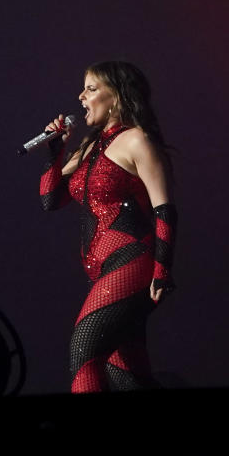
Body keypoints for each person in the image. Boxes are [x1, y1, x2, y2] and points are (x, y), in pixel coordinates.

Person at [38, 61, 177, 393]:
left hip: (132, 261)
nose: (80, 96)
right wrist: (55, 151)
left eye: (91, 88)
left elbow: (165, 209)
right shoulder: (88, 147)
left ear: (116, 97)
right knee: (127, 375)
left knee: (83, 351)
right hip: (101, 271)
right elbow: (50, 199)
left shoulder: (136, 140)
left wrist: (162, 269)